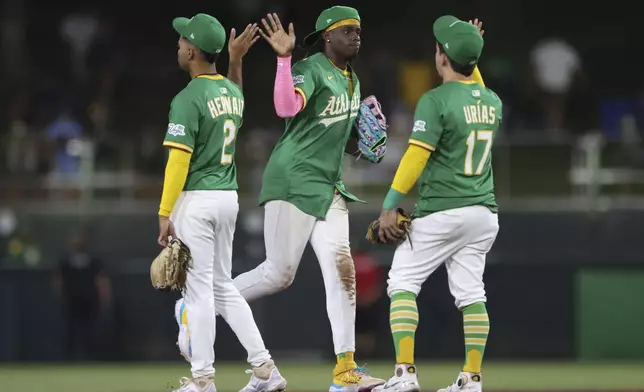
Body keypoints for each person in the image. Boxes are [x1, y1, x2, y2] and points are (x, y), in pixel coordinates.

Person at [231, 7, 385, 392]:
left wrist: (364, 146)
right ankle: (201, 300)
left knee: (342, 269)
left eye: (359, 30)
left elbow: (337, 138)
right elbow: (286, 108)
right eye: (347, 30)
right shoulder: (310, 68)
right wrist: (284, 59)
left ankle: (346, 372)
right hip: (294, 180)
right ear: (327, 37)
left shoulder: (352, 79)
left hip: (329, 186)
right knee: (278, 274)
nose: (356, 36)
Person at [157, 13, 286, 392]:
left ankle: (203, 381)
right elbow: (235, 97)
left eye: (183, 40)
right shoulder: (230, 93)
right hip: (227, 199)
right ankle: (265, 368)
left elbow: (178, 161)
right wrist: (237, 61)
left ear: (193, 50)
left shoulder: (187, 99)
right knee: (221, 288)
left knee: (197, 293)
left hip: (196, 200)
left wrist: (165, 213)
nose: (179, 45)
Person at [373, 17, 501, 392]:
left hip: (443, 210)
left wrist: (390, 204)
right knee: (471, 293)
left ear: (441, 56)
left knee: (402, 282)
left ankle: (404, 375)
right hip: (483, 214)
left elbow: (415, 157)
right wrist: (469, 49)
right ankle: (471, 378)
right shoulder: (492, 101)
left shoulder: (435, 100)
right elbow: (473, 90)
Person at [52, 230, 110, 361]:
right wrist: (61, 295)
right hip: (72, 299)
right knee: (69, 329)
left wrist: (104, 297)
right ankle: (69, 357)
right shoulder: (65, 262)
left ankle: (90, 357)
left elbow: (102, 281)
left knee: (90, 329)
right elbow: (58, 280)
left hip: (89, 299)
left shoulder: (94, 261)